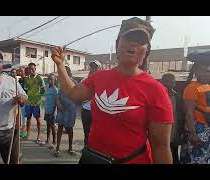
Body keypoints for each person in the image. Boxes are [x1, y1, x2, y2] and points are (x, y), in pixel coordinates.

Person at [51, 17, 173, 164]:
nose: (133, 43)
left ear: (146, 51)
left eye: (141, 41)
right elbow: (73, 93)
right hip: (93, 159)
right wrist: (60, 65)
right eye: (128, 38)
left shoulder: (156, 90)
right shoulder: (99, 77)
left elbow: (161, 146)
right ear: (117, 44)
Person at [180, 50, 210, 164]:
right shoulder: (192, 88)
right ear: (196, 71)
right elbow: (189, 113)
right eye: (205, 70)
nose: (208, 73)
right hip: (199, 130)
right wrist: (192, 134)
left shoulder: (207, 86)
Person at [161, 73, 184, 164]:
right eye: (166, 81)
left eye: (171, 81)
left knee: (174, 153)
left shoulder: (177, 97)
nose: (169, 84)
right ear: (162, 82)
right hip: (161, 131)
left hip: (174, 131)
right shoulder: (158, 96)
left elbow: (181, 115)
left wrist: (180, 131)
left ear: (174, 83)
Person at [53, 66, 77, 157]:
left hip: (70, 109)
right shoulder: (61, 82)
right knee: (59, 128)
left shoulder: (74, 82)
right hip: (61, 109)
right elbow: (59, 94)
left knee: (69, 129)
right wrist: (58, 102)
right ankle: (57, 148)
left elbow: (77, 95)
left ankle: (70, 148)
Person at [81, 60, 101, 147]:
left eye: (95, 67)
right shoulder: (85, 80)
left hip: (97, 111)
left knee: (95, 132)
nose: (93, 69)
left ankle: (93, 149)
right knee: (86, 131)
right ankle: (86, 147)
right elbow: (79, 94)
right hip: (86, 110)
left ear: (99, 69)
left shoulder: (103, 82)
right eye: (92, 67)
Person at [24, 63, 46, 143]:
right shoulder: (26, 79)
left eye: (32, 69)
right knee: (28, 119)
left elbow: (44, 89)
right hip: (29, 102)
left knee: (37, 119)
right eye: (29, 69)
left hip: (37, 103)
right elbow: (26, 90)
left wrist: (38, 95)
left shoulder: (39, 78)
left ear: (35, 69)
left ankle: (38, 136)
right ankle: (27, 135)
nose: (31, 70)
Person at [44, 73, 58, 149]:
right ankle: (47, 139)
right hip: (47, 110)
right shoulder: (47, 87)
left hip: (52, 111)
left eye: (51, 79)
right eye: (49, 79)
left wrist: (53, 112)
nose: (50, 81)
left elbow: (56, 102)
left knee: (52, 127)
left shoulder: (55, 90)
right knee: (48, 125)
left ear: (54, 80)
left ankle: (54, 142)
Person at [18, 67, 27, 138]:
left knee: (24, 118)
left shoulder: (26, 80)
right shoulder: (19, 80)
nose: (20, 72)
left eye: (21, 71)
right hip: (19, 102)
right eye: (19, 71)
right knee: (20, 117)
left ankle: (23, 133)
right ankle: (20, 132)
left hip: (25, 101)